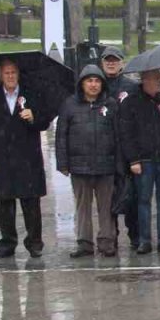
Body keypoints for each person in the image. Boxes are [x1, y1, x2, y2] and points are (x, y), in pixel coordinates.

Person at [0, 57, 49, 259]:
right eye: (6, 73)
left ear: (19, 75)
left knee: (31, 204)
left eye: (13, 73)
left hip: (28, 158)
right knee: (5, 203)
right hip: (3, 159)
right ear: (0, 76)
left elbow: (45, 122)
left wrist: (33, 117)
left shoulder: (32, 96)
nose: (10, 76)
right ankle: (7, 244)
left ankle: (34, 242)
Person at [55, 64, 119, 258]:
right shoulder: (69, 105)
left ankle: (107, 242)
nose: (93, 85)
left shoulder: (111, 104)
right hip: (79, 167)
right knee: (82, 207)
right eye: (89, 81)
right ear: (82, 83)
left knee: (106, 207)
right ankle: (84, 243)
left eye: (97, 81)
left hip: (106, 167)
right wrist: (63, 163)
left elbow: (118, 136)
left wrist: (119, 163)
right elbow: (61, 136)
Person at [118, 69, 160, 254]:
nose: (157, 83)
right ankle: (144, 240)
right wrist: (133, 159)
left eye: (158, 79)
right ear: (144, 81)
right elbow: (126, 134)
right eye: (153, 79)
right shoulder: (131, 102)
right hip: (143, 160)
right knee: (143, 201)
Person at [102, 46, 140, 248]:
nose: (111, 63)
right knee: (109, 198)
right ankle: (111, 237)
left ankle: (136, 236)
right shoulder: (96, 84)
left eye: (114, 60)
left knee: (131, 196)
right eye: (107, 60)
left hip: (128, 149)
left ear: (121, 63)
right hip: (106, 150)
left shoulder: (132, 87)